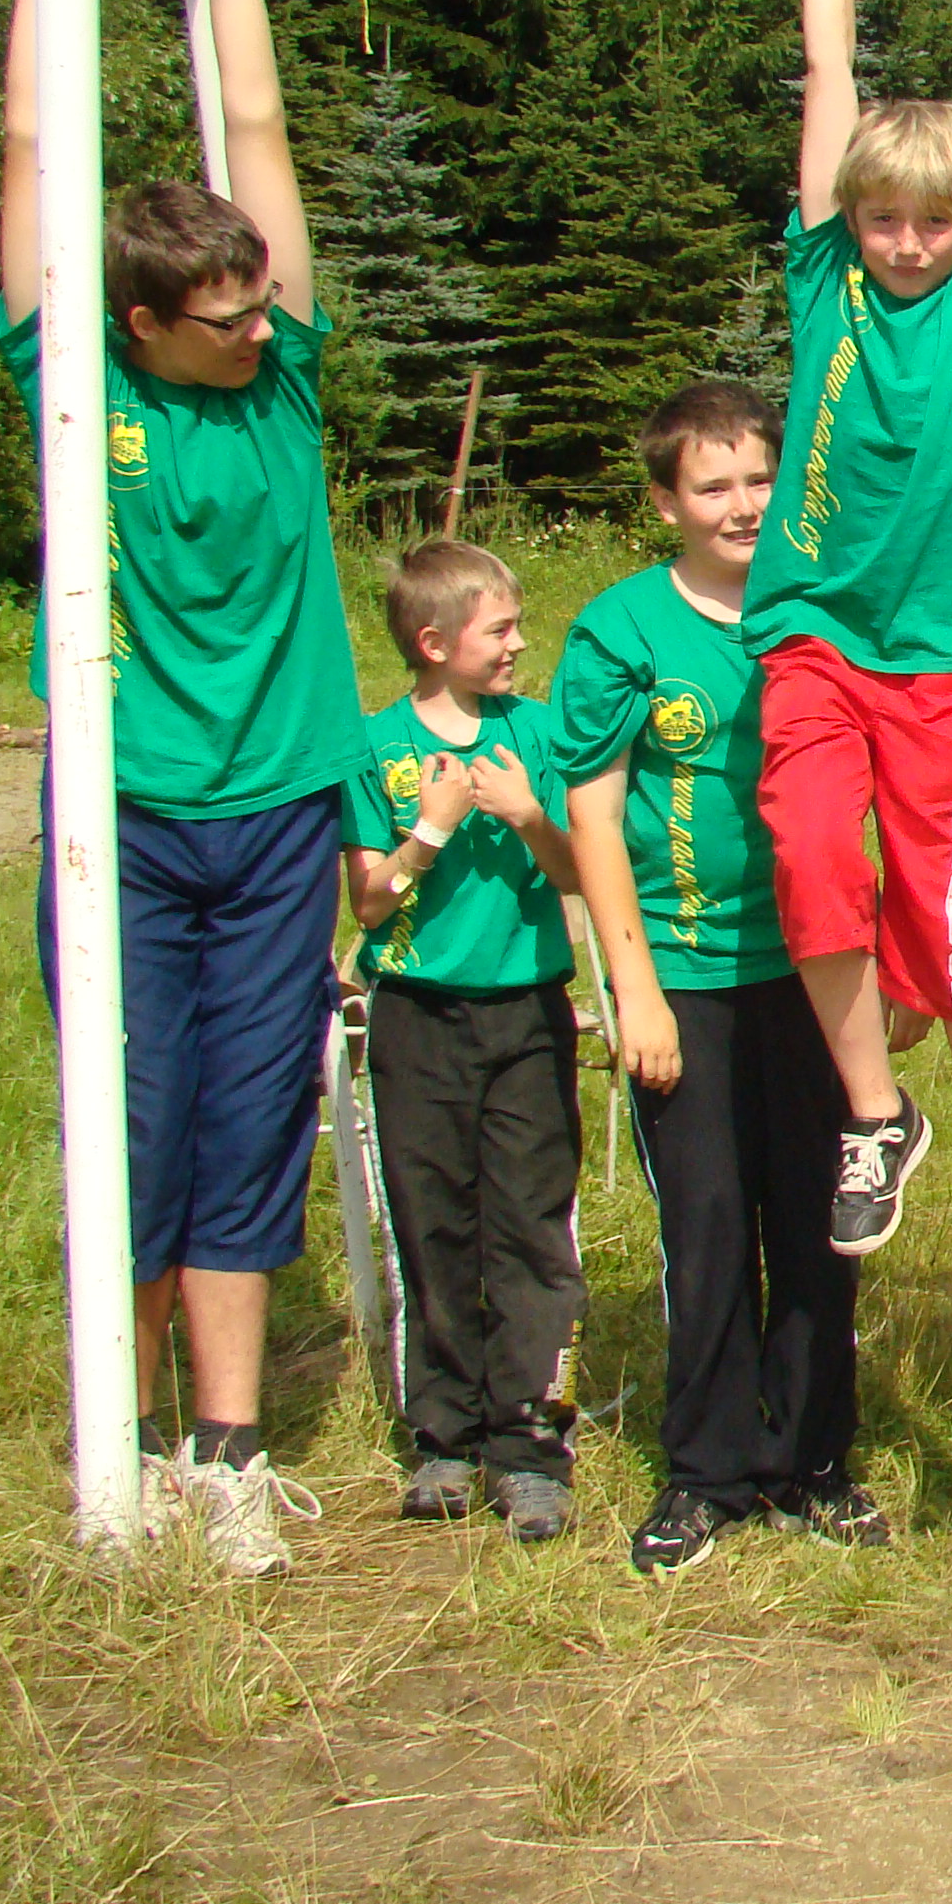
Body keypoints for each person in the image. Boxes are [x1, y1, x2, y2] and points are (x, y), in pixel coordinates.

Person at [0, 0, 360, 1578]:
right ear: (138, 324)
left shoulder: (282, 384)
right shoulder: (87, 379)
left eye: (260, 302)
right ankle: (121, 1445)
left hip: (279, 805)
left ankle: (225, 1452)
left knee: (249, 1120)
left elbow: (261, 131)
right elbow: (28, 145)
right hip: (123, 810)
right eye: (224, 315)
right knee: (133, 1125)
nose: (259, 325)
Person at [748, 0, 952, 1313]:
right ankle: (877, 1114)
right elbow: (830, 75)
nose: (909, 242)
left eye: (934, 221)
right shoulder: (830, 284)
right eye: (884, 220)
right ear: (853, 218)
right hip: (817, 625)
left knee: (949, 902)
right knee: (811, 852)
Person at [560, 381, 880, 1577]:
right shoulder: (621, 631)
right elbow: (593, 819)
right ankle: (706, 1472)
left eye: (760, 479)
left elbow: (898, 793)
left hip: (818, 975)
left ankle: (814, 1462)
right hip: (684, 977)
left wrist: (894, 972)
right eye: (712, 486)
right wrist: (633, 990)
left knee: (819, 1217)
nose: (742, 505)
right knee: (704, 1225)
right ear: (666, 502)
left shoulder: (831, 611)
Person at [342, 540, 589, 1540]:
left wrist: (528, 816)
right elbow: (369, 901)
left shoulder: (538, 732)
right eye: (501, 629)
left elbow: (575, 872)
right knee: (433, 1220)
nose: (520, 643)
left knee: (529, 1224)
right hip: (416, 1017)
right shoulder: (374, 745)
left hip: (528, 1012)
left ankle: (528, 1442)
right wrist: (432, 828)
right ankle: (444, 1437)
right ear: (434, 642)